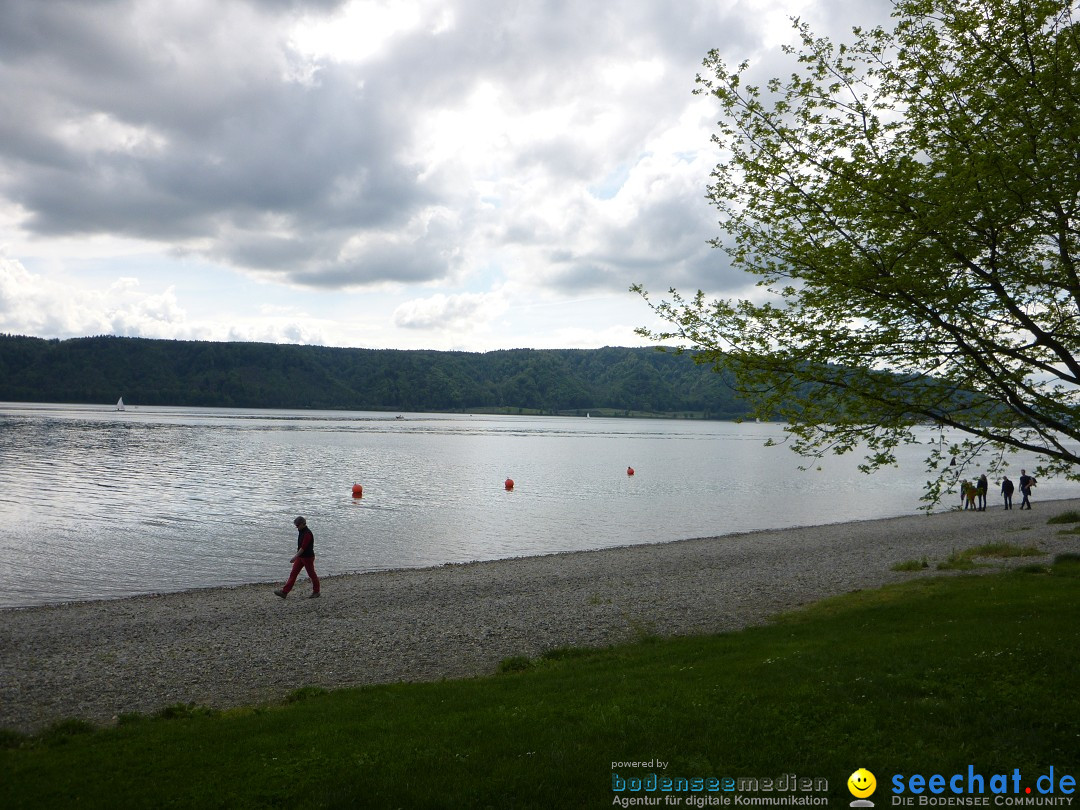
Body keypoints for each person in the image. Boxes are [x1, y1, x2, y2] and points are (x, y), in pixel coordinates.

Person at [275, 516, 321, 599]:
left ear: (303, 524)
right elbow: (300, 547)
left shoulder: (307, 533)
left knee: (312, 574)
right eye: (296, 525)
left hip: (308, 557)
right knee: (293, 573)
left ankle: (316, 591)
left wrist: (295, 557)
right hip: (300, 557)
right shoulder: (301, 531)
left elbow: (303, 548)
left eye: (297, 525)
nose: (296, 527)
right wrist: (297, 556)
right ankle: (284, 592)